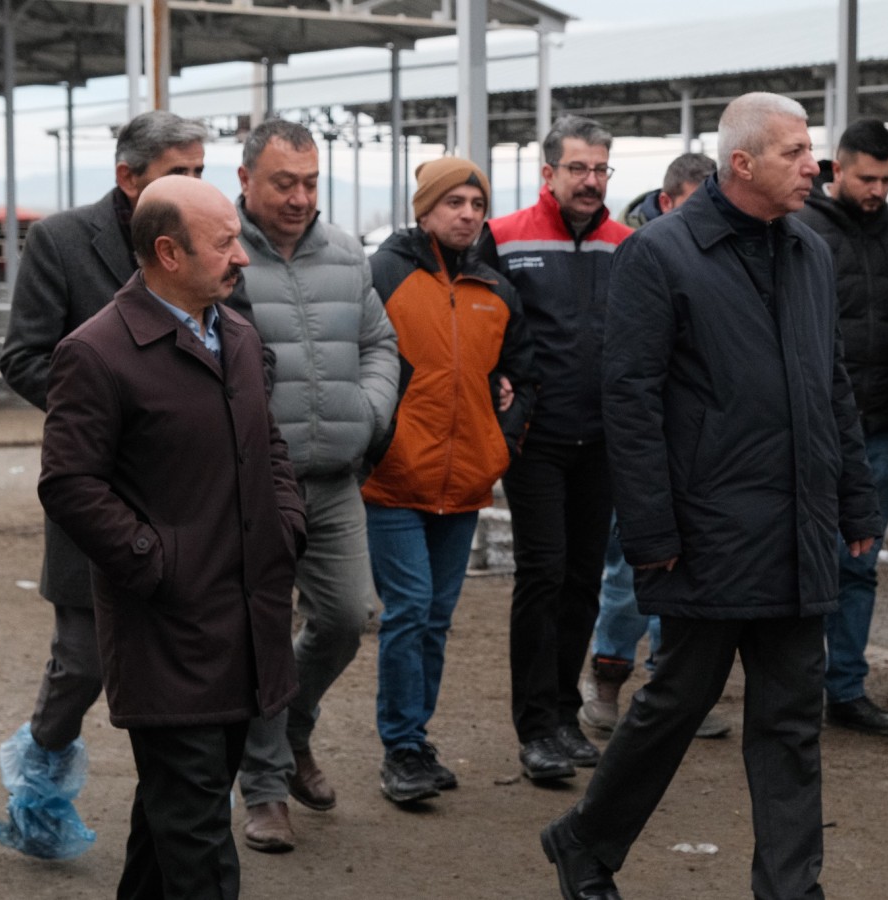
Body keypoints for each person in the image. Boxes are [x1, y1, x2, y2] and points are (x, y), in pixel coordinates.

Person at [539, 92, 880, 900]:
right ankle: (584, 842)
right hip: (708, 529)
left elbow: (830, 383)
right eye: (796, 152)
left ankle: (791, 889)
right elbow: (630, 401)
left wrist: (854, 500)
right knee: (676, 704)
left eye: (811, 151)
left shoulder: (809, 251)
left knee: (790, 721)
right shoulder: (660, 256)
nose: (814, 166)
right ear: (743, 163)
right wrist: (652, 530)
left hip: (797, 526)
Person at [37, 175, 306, 899]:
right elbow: (70, 483)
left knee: (174, 821)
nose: (242, 257)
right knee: (199, 844)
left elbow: (269, 446)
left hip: (242, 624)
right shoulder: (97, 352)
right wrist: (157, 562)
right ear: (168, 253)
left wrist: (286, 525)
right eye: (225, 243)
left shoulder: (236, 337)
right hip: (167, 633)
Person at [0, 110, 225, 858]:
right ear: (128, 177)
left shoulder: (209, 239)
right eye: (179, 172)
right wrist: (110, 413)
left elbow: (236, 337)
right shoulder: (62, 241)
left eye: (200, 170)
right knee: (85, 660)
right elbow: (25, 355)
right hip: (99, 481)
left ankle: (181, 813)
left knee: (193, 657)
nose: (195, 183)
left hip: (188, 489)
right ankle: (40, 776)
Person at [232, 119, 399, 852]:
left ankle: (294, 729)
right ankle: (265, 787)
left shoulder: (345, 253)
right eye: (283, 183)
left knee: (345, 616)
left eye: (310, 182)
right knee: (263, 636)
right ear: (246, 181)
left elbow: (380, 342)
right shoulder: (221, 251)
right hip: (252, 486)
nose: (300, 198)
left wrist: (370, 410)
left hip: (333, 478)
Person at [363, 156, 537, 803]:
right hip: (394, 477)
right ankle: (402, 748)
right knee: (410, 608)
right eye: (454, 202)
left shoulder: (496, 290)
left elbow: (524, 373)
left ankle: (415, 738)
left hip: (465, 481)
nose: (467, 214)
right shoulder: (383, 274)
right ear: (425, 209)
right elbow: (354, 357)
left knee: (435, 617)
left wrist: (503, 439)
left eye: (476, 204)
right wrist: (375, 436)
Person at [480, 115, 632, 782]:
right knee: (542, 573)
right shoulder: (505, 238)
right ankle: (536, 726)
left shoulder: (626, 245)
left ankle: (565, 714)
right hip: (536, 438)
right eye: (578, 168)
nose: (590, 181)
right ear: (548, 173)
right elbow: (479, 321)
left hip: (602, 439)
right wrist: (500, 398)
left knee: (582, 578)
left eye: (600, 169)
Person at [580, 151, 731, 740]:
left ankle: (676, 689)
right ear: (666, 203)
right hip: (646, 447)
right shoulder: (641, 257)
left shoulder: (720, 261)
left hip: (700, 450)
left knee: (695, 573)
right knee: (629, 570)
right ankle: (608, 676)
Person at [795, 118, 888, 738]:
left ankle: (845, 687)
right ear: (838, 170)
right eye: (867, 178)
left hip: (875, 428)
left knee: (859, 562)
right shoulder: (801, 231)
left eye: (887, 180)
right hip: (805, 428)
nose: (877, 190)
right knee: (798, 562)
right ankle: (795, 686)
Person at [617, 152, 715, 228]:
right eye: (696, 205)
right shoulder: (629, 242)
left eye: (714, 203)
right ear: (666, 203)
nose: (707, 214)